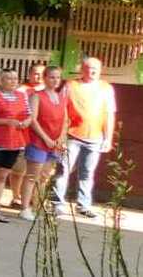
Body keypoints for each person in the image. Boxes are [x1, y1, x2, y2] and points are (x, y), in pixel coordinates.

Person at [52, 56, 116, 219]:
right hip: (72, 135)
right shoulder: (70, 85)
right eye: (88, 68)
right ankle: (57, 204)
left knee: (87, 173)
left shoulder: (106, 88)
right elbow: (61, 110)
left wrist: (108, 138)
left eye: (95, 69)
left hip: (95, 137)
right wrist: (61, 135)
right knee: (63, 169)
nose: (92, 71)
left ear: (100, 70)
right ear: (82, 69)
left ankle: (83, 206)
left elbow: (109, 114)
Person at [20, 66, 67, 222]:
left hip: (54, 142)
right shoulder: (37, 96)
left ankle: (37, 206)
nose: (55, 80)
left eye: (58, 77)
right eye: (52, 77)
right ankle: (25, 208)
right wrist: (45, 138)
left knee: (45, 176)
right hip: (38, 141)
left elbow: (65, 120)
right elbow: (33, 120)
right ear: (45, 78)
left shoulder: (62, 97)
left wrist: (61, 138)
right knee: (32, 175)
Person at [0, 68, 29, 223]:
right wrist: (6, 121)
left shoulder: (22, 96)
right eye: (9, 78)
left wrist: (26, 123)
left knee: (3, 176)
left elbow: (29, 115)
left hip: (14, 142)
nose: (13, 81)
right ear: (1, 81)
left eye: (15, 78)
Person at [8, 62, 48, 208]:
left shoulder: (48, 91)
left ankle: (35, 199)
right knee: (18, 169)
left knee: (41, 172)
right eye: (35, 73)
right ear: (29, 74)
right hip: (22, 134)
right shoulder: (20, 90)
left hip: (40, 135)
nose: (38, 77)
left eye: (41, 74)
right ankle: (16, 197)